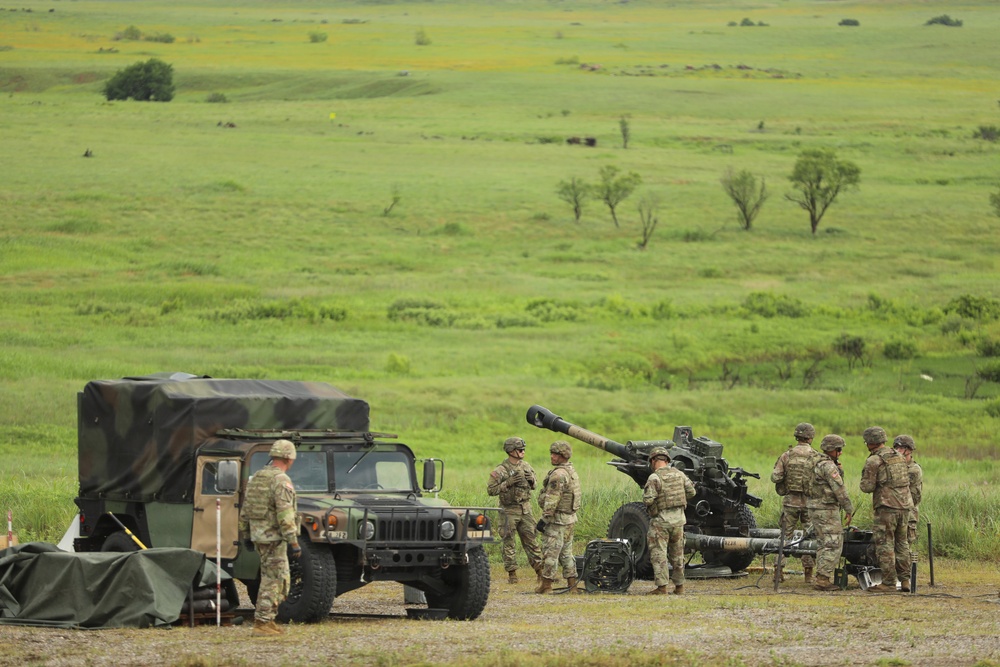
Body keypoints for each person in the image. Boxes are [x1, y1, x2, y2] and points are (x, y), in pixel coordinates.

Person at [238, 439, 302, 636]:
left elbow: (246, 508)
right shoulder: (280, 480)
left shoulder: (257, 477)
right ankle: (262, 622)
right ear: (289, 458)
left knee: (273, 577)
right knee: (274, 580)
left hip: (259, 536)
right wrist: (294, 541)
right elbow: (285, 513)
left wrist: (246, 533)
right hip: (274, 537)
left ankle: (268, 619)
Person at [859, 426, 913, 593]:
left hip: (887, 507)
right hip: (905, 506)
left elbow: (866, 487)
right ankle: (905, 581)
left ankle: (888, 583)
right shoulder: (899, 456)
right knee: (902, 543)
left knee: (884, 544)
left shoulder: (874, 460)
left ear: (869, 443)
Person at [487, 436, 543, 584]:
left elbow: (535, 485)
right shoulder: (500, 470)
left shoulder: (526, 466)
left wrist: (532, 480)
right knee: (509, 542)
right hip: (508, 510)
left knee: (531, 541)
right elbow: (491, 490)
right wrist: (508, 483)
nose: (523, 452)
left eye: (523, 449)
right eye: (520, 449)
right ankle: (512, 574)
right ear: (511, 451)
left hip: (525, 509)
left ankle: (540, 572)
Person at [770, 422, 820, 583]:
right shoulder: (816, 456)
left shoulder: (787, 455)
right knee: (809, 537)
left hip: (790, 502)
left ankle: (778, 572)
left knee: (784, 535)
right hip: (810, 503)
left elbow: (775, 477)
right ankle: (808, 574)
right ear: (811, 437)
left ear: (796, 436)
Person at [643, 447, 696, 595]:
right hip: (679, 521)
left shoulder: (654, 478)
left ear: (653, 461)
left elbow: (648, 500)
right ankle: (679, 587)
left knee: (659, 554)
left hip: (661, 522)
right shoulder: (680, 474)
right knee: (678, 555)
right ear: (667, 460)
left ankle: (662, 587)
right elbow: (692, 492)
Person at [807, 435, 854, 592]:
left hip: (813, 507)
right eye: (839, 450)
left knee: (822, 542)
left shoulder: (812, 462)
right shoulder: (828, 466)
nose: (840, 453)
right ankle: (823, 579)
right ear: (832, 449)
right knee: (834, 542)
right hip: (826, 508)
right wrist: (848, 508)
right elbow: (839, 489)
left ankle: (821, 575)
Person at [535, 440, 582, 594]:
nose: (552, 456)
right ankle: (572, 585)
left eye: (555, 454)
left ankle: (546, 585)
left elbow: (552, 499)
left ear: (563, 456)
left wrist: (544, 519)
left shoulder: (558, 474)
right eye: (552, 453)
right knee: (567, 553)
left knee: (551, 552)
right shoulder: (571, 471)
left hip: (557, 520)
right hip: (570, 519)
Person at [892, 435, 922, 556]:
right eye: (896, 447)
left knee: (903, 551)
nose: (897, 450)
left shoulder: (914, 470)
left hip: (908, 514)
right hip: (895, 513)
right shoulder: (896, 466)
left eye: (901, 448)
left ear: (909, 450)